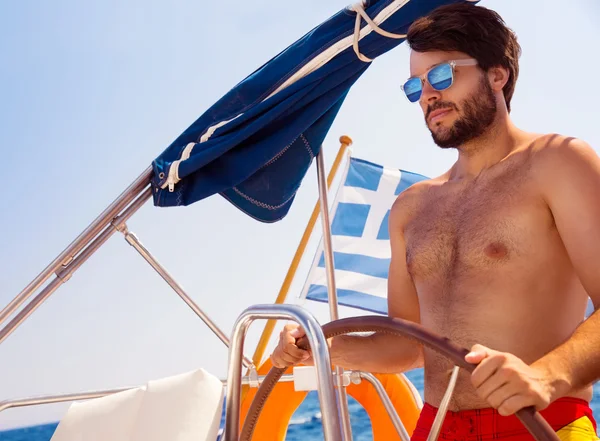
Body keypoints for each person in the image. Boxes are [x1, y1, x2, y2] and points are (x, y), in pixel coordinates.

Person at [270, 3, 600, 440]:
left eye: (442, 76)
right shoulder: (411, 208)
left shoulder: (559, 163)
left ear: (497, 74)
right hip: (437, 427)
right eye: (415, 86)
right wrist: (322, 348)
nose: (427, 95)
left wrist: (546, 375)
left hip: (541, 421)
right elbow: (409, 344)